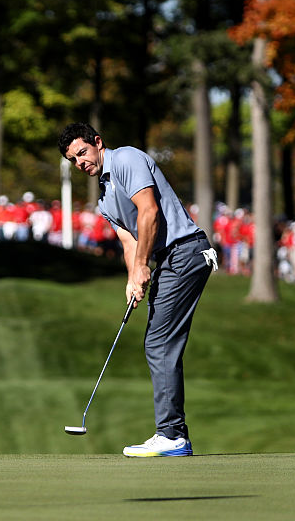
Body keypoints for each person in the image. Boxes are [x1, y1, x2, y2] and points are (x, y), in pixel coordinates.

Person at [58, 122, 217, 457]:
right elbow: (129, 242)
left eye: (82, 153)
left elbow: (149, 212)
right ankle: (173, 433)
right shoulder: (103, 198)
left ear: (98, 143)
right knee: (157, 341)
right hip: (169, 259)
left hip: (185, 251)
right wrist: (134, 278)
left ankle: (173, 435)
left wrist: (144, 264)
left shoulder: (126, 159)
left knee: (159, 341)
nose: (80, 163)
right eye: (73, 160)